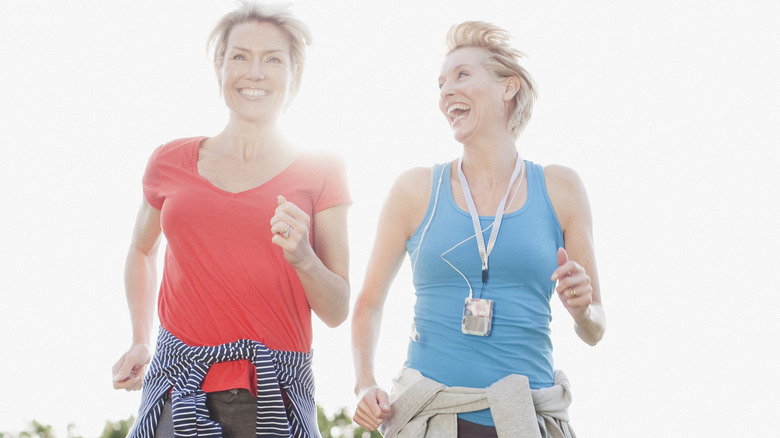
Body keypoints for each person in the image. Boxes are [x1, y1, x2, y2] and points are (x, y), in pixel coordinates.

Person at [352, 21, 605, 437]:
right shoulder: (415, 190)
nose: (446, 91)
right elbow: (368, 301)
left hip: (527, 418)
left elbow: (595, 327)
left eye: (462, 75)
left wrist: (582, 309)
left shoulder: (561, 188)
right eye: (441, 83)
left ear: (508, 88)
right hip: (431, 418)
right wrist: (365, 382)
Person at [111, 2, 351, 437]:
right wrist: (140, 337)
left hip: (273, 396)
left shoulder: (322, 169)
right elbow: (141, 249)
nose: (254, 72)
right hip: (177, 387)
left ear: (294, 76)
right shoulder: (170, 161)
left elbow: (337, 309)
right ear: (219, 66)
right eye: (239, 56)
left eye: (273, 59)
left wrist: (304, 258)